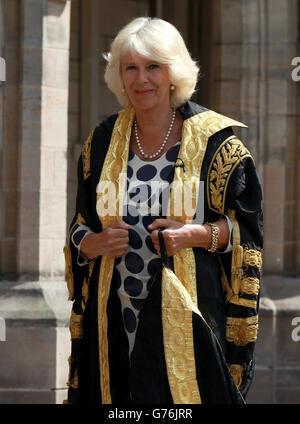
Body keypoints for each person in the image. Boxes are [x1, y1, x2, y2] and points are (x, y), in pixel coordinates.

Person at [63, 17, 263, 405]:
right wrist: (97, 242)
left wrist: (198, 235)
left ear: (174, 72)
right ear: (119, 75)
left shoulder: (219, 145)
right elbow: (78, 229)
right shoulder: (101, 143)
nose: (142, 79)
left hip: (190, 319)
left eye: (153, 66)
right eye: (131, 67)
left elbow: (246, 231)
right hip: (114, 318)